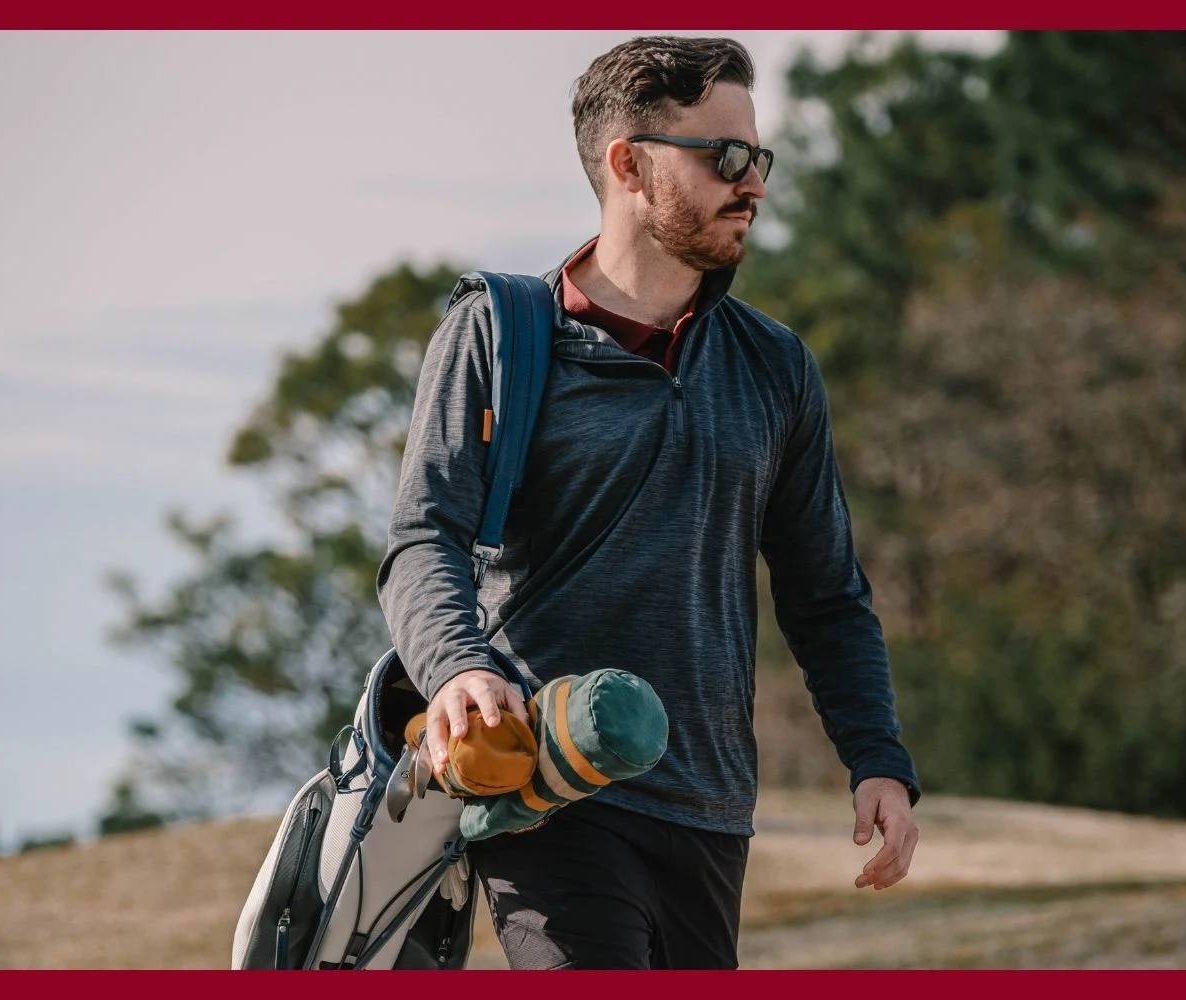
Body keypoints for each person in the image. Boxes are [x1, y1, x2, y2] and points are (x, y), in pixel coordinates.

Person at [376, 34, 920, 970]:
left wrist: (878, 758)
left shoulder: (775, 367)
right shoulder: (498, 333)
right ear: (628, 165)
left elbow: (825, 594)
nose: (753, 184)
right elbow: (424, 538)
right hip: (549, 786)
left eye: (759, 157)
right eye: (726, 157)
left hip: (711, 807)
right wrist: (458, 666)